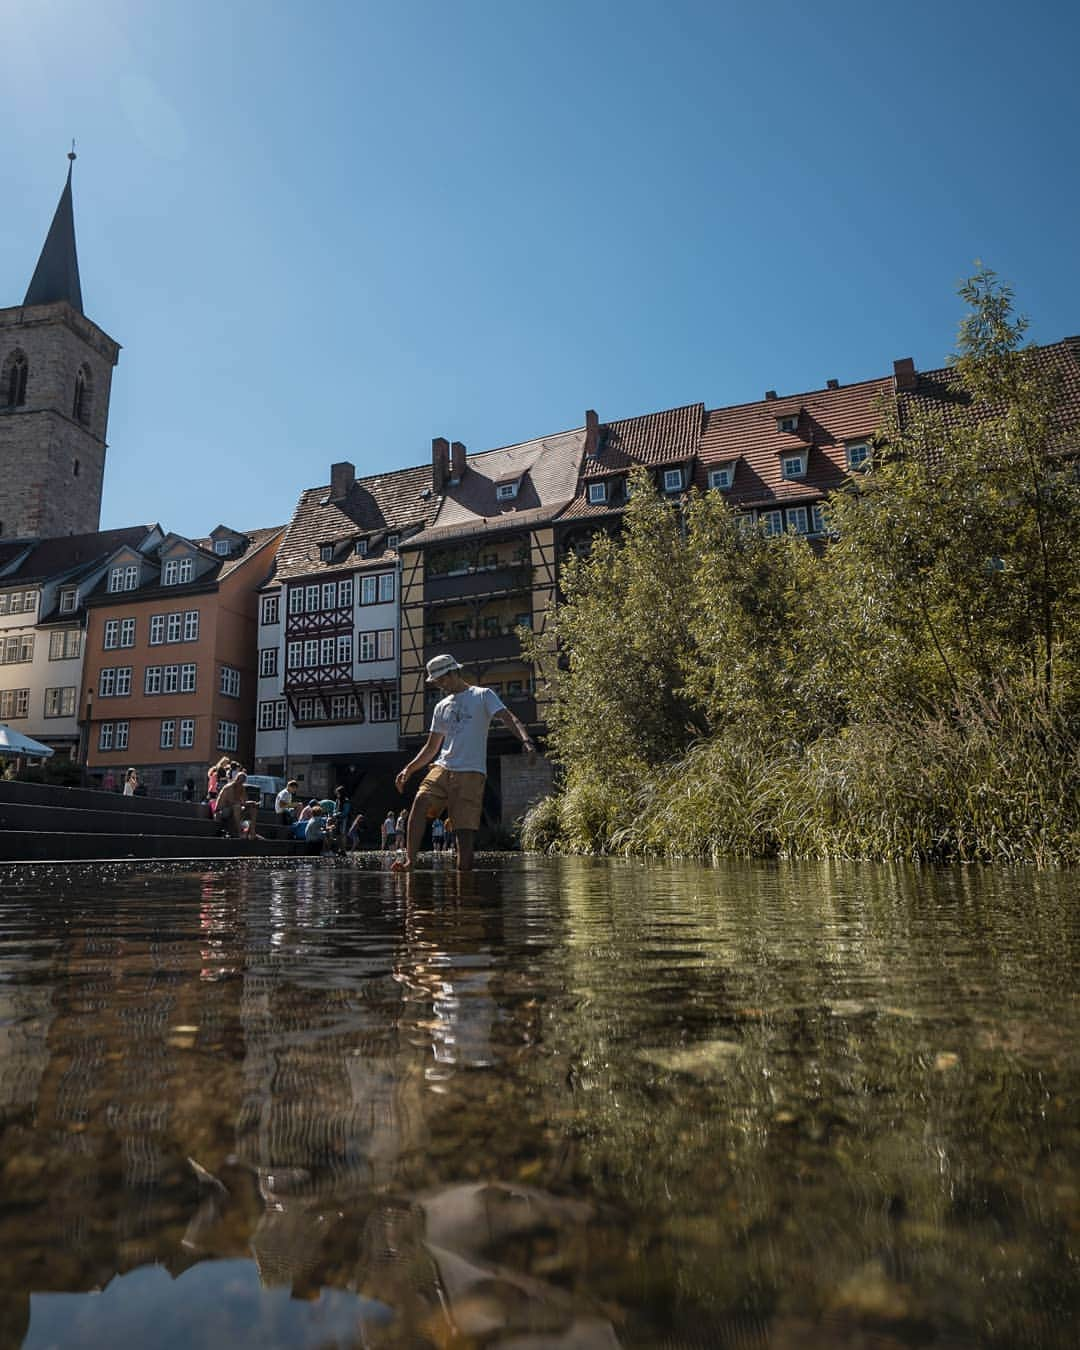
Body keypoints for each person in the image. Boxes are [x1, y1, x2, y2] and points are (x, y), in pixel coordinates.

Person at [395, 654, 535, 871]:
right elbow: (431, 747)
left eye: (441, 680)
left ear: (453, 673)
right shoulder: (441, 706)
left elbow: (510, 718)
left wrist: (526, 741)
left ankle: (464, 894)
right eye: (436, 681)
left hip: (471, 772)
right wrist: (409, 769)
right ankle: (410, 861)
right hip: (443, 766)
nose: (440, 685)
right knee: (421, 799)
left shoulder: (482, 695)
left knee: (464, 837)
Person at [214, 771, 258, 840]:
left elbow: (244, 801)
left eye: (243, 782)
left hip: (234, 808)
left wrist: (251, 803)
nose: (241, 783)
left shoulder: (242, 788)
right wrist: (245, 803)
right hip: (221, 811)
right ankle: (240, 832)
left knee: (253, 808)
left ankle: (252, 832)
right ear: (236, 779)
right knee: (237, 806)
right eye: (240, 781)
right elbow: (232, 802)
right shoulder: (229, 788)